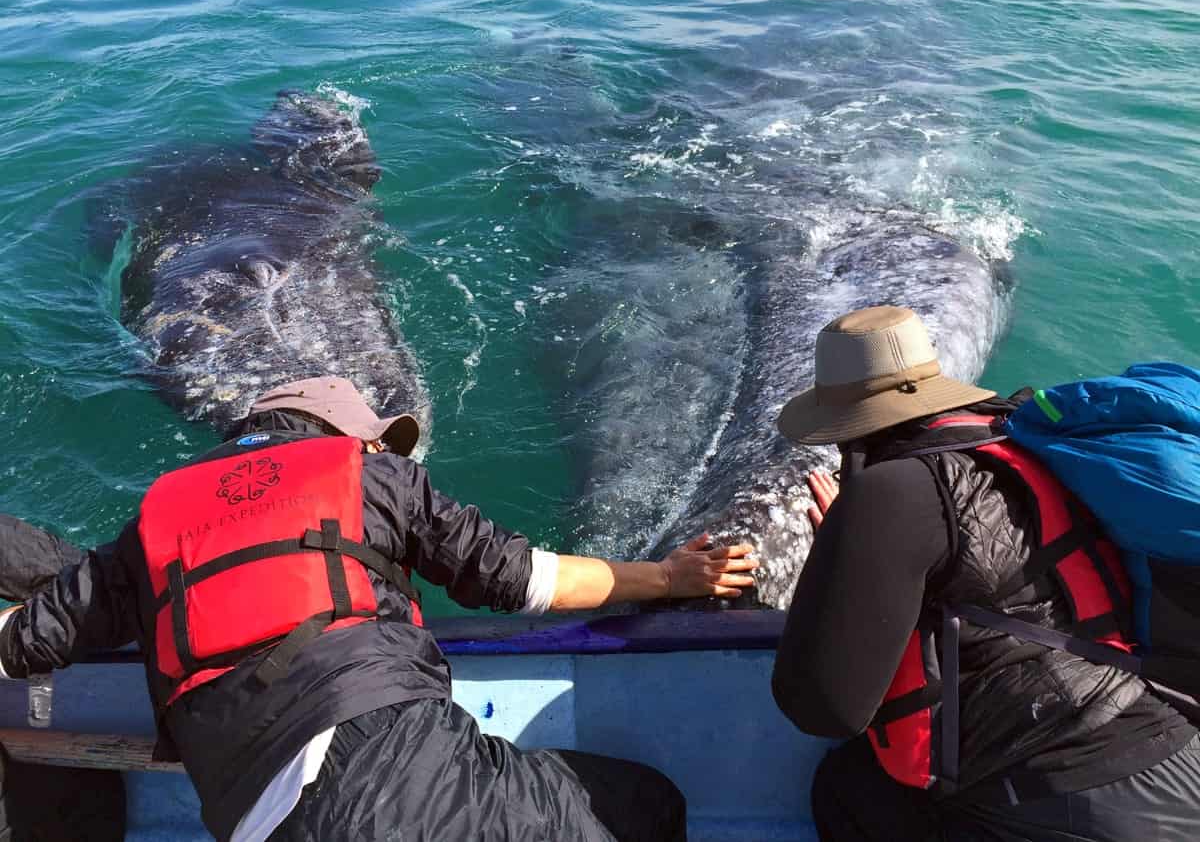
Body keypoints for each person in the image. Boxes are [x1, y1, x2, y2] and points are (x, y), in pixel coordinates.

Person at [0, 376, 758, 842]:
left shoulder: (153, 525)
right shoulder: (371, 479)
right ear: (341, 438)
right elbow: (527, 581)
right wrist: (667, 577)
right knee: (647, 805)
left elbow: (25, 639)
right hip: (403, 775)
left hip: (256, 823)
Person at [769, 306, 1200, 842]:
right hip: (1174, 758)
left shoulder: (889, 491)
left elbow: (823, 708)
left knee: (847, 787)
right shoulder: (1022, 439)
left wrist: (840, 554)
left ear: (844, 425)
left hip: (1074, 802)